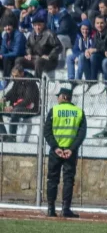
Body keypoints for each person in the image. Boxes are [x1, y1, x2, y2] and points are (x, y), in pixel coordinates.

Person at [44, 88, 87, 218]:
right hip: (70, 152)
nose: (57, 98)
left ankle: (51, 209)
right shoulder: (79, 112)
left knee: (52, 179)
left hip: (56, 151)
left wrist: (56, 147)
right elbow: (81, 134)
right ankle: (65, 209)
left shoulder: (54, 110)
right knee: (68, 180)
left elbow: (47, 131)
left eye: (58, 96)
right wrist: (71, 148)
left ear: (63, 97)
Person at [0, 64, 40, 142]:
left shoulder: (30, 82)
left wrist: (12, 107)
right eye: (13, 76)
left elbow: (28, 100)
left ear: (22, 73)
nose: (14, 78)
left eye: (16, 76)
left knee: (15, 111)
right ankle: (4, 135)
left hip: (31, 108)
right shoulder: (17, 80)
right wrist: (4, 98)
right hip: (18, 106)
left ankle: (12, 137)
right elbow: (12, 92)